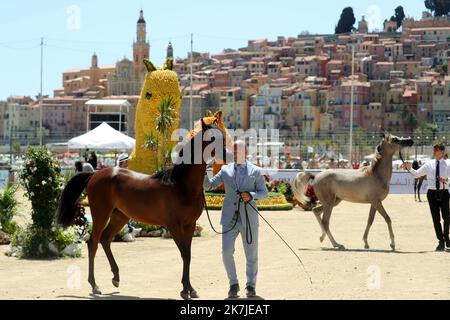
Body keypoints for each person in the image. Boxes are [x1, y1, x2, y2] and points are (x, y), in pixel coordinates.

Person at [204, 140, 268, 299]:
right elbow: (209, 186)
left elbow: (264, 193)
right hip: (229, 218)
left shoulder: (256, 171)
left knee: (251, 254)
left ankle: (251, 286)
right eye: (235, 150)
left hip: (249, 218)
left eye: (240, 150)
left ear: (246, 152)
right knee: (226, 252)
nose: (237, 153)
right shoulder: (225, 170)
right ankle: (233, 284)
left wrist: (251, 196)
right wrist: (204, 169)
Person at [403, 144, 450, 251]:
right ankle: (441, 241)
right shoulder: (429, 164)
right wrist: (409, 168)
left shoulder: (448, 163)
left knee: (447, 218)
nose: (434, 152)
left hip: (444, 192)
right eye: (434, 150)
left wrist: (447, 180)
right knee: (436, 219)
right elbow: (417, 174)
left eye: (437, 150)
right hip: (431, 194)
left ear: (442, 152)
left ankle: (447, 237)